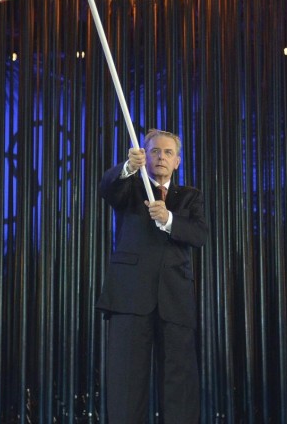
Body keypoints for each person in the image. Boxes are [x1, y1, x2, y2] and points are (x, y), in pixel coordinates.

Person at [96, 129, 208, 424]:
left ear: (177, 162)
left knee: (179, 380)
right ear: (144, 156)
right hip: (129, 295)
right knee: (126, 380)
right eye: (155, 151)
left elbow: (199, 235)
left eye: (168, 153)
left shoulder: (190, 197)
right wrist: (128, 168)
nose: (161, 157)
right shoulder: (130, 188)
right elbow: (107, 188)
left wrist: (169, 219)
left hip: (175, 297)